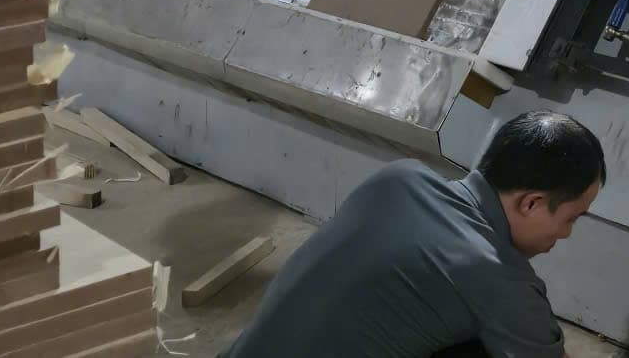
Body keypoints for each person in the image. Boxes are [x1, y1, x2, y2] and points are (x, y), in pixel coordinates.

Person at [226, 111, 605, 358]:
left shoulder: (400, 177)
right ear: (531, 203)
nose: (566, 234)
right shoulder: (501, 279)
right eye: (572, 218)